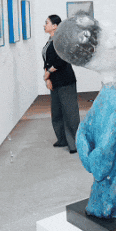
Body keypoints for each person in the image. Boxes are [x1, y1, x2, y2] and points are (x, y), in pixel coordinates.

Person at [53, 12, 116, 218]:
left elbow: (86, 130)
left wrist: (89, 153)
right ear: (110, 47)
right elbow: (104, 152)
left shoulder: (107, 94)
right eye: (113, 36)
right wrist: (96, 163)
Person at [42, 15, 80, 155]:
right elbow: (46, 61)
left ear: (55, 26)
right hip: (54, 81)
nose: (44, 25)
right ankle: (62, 139)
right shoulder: (49, 41)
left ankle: (75, 143)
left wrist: (48, 72)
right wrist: (47, 79)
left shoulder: (61, 40)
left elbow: (62, 60)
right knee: (57, 112)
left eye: (47, 23)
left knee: (70, 113)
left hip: (65, 81)